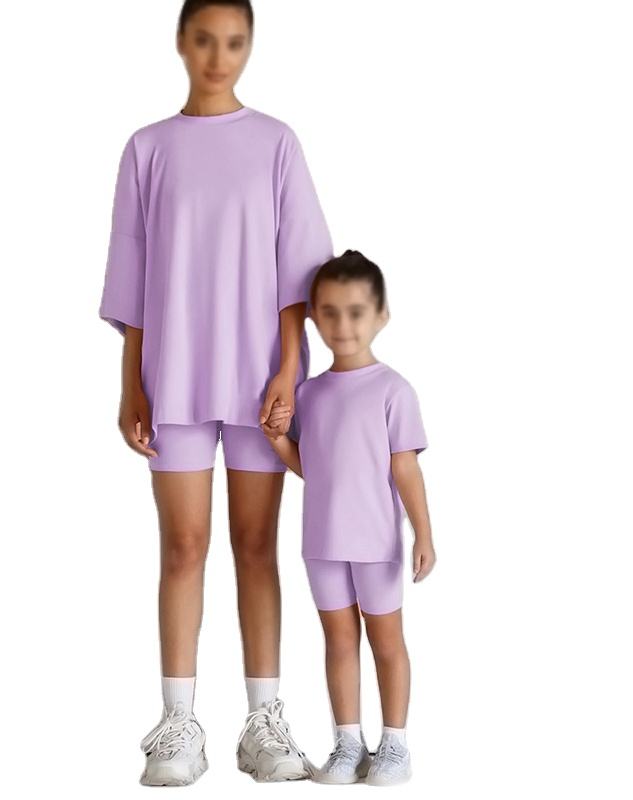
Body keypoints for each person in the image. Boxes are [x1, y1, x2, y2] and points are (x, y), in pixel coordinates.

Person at [98, 0, 333, 786]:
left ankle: (264, 724)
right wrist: (130, 382)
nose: (218, 56)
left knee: (257, 545)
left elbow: (300, 271)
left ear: (249, 47)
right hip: (173, 375)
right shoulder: (148, 148)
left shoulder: (275, 143)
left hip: (262, 379)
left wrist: (287, 370)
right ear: (180, 42)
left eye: (234, 42)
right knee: (184, 545)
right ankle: (178, 724)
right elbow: (132, 273)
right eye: (204, 40)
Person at [262, 249, 436, 786]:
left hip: (377, 542)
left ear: (381, 315)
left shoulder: (393, 391)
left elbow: (404, 468)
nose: (343, 325)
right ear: (314, 317)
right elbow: (313, 467)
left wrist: (423, 534)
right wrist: (277, 441)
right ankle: (348, 743)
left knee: (386, 641)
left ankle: (396, 745)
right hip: (322, 543)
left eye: (356, 312)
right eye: (331, 312)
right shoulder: (309, 394)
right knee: (338, 640)